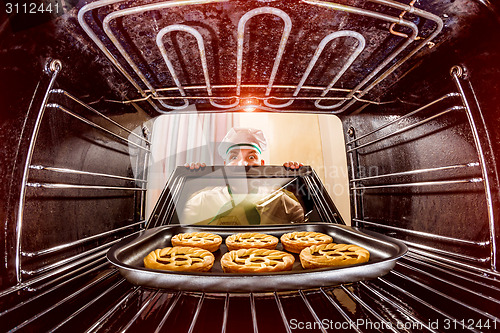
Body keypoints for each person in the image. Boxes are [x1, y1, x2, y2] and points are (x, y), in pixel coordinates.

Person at [181, 128, 305, 225]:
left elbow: (307, 228)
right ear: (225, 165)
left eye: (251, 157)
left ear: (262, 165)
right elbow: (179, 223)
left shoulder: (280, 200)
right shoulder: (202, 200)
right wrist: (191, 179)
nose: (243, 164)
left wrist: (298, 180)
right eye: (234, 157)